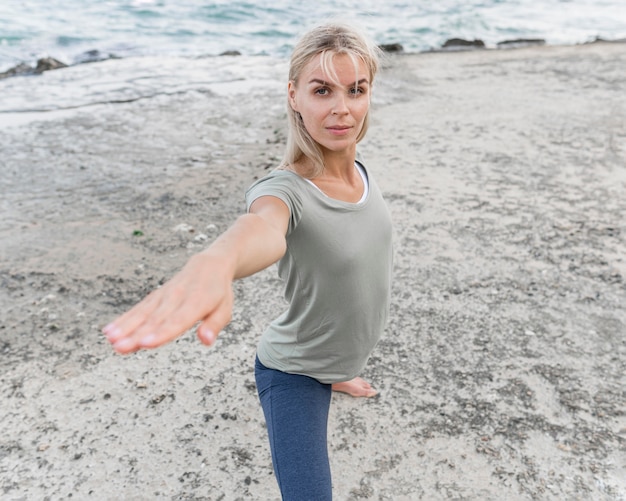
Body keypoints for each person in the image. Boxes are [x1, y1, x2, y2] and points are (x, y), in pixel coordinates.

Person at [103, 21, 393, 500]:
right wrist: (216, 261)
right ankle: (326, 371)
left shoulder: (359, 170)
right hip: (293, 369)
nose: (343, 108)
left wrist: (341, 366)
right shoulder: (283, 190)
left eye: (356, 90)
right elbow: (260, 228)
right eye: (322, 90)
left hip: (335, 355)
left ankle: (338, 370)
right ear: (294, 96)